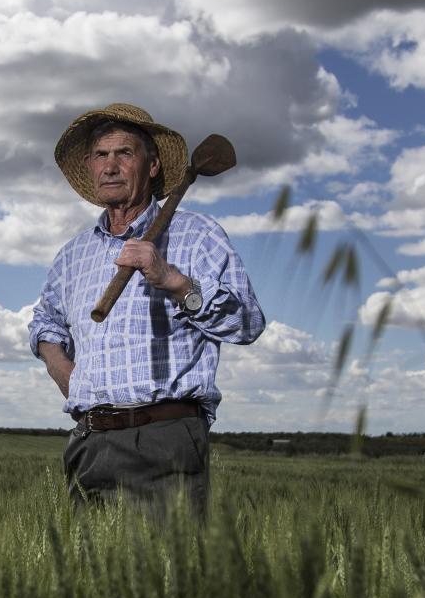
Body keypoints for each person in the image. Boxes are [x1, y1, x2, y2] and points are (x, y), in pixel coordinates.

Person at [28, 103, 265, 514]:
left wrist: (172, 279)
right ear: (89, 166)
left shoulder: (196, 235)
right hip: (88, 442)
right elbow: (45, 322)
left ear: (152, 165)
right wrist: (67, 375)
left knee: (167, 574)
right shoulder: (73, 254)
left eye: (124, 153)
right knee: (90, 576)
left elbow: (247, 322)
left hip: (164, 437)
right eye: (101, 156)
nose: (111, 166)